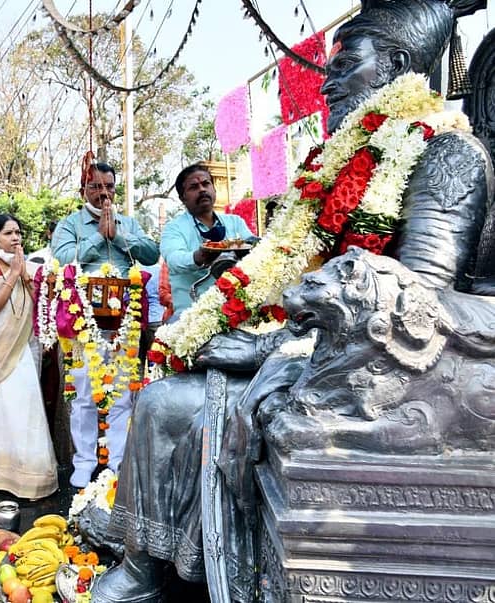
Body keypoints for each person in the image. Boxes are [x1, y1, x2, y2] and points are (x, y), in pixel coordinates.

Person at [92, 1, 493, 601]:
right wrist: (256, 307)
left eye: (345, 65)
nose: (327, 83)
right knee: (171, 387)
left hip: (387, 367)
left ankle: (155, 569)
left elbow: (414, 305)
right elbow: (303, 259)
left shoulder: (446, 154)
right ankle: (151, 555)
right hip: (323, 340)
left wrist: (270, 348)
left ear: (396, 65)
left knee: (167, 405)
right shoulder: (346, 155)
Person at [52, 161, 160, 487]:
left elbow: (151, 254)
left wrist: (119, 234)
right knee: (85, 395)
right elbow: (63, 258)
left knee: (123, 395)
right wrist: (99, 237)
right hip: (84, 321)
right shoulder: (70, 224)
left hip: (125, 320)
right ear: (83, 190)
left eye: (109, 187)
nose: (104, 193)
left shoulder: (128, 222)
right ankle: (84, 462)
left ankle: (116, 461)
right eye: (96, 187)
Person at [0, 214, 58, 499]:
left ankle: (30, 477)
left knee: (27, 406)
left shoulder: (32, 267)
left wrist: (26, 276)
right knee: (1, 408)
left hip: (24, 347)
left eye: (18, 232)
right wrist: (12, 275)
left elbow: (43, 305)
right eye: (8, 233)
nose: (16, 238)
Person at [160, 163, 256, 316]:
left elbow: (254, 248)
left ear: (214, 189)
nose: (202, 189)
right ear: (182, 198)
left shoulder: (235, 222)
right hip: (192, 316)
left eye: (206, 184)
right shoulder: (173, 228)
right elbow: (174, 260)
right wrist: (198, 257)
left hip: (236, 312)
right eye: (194, 187)